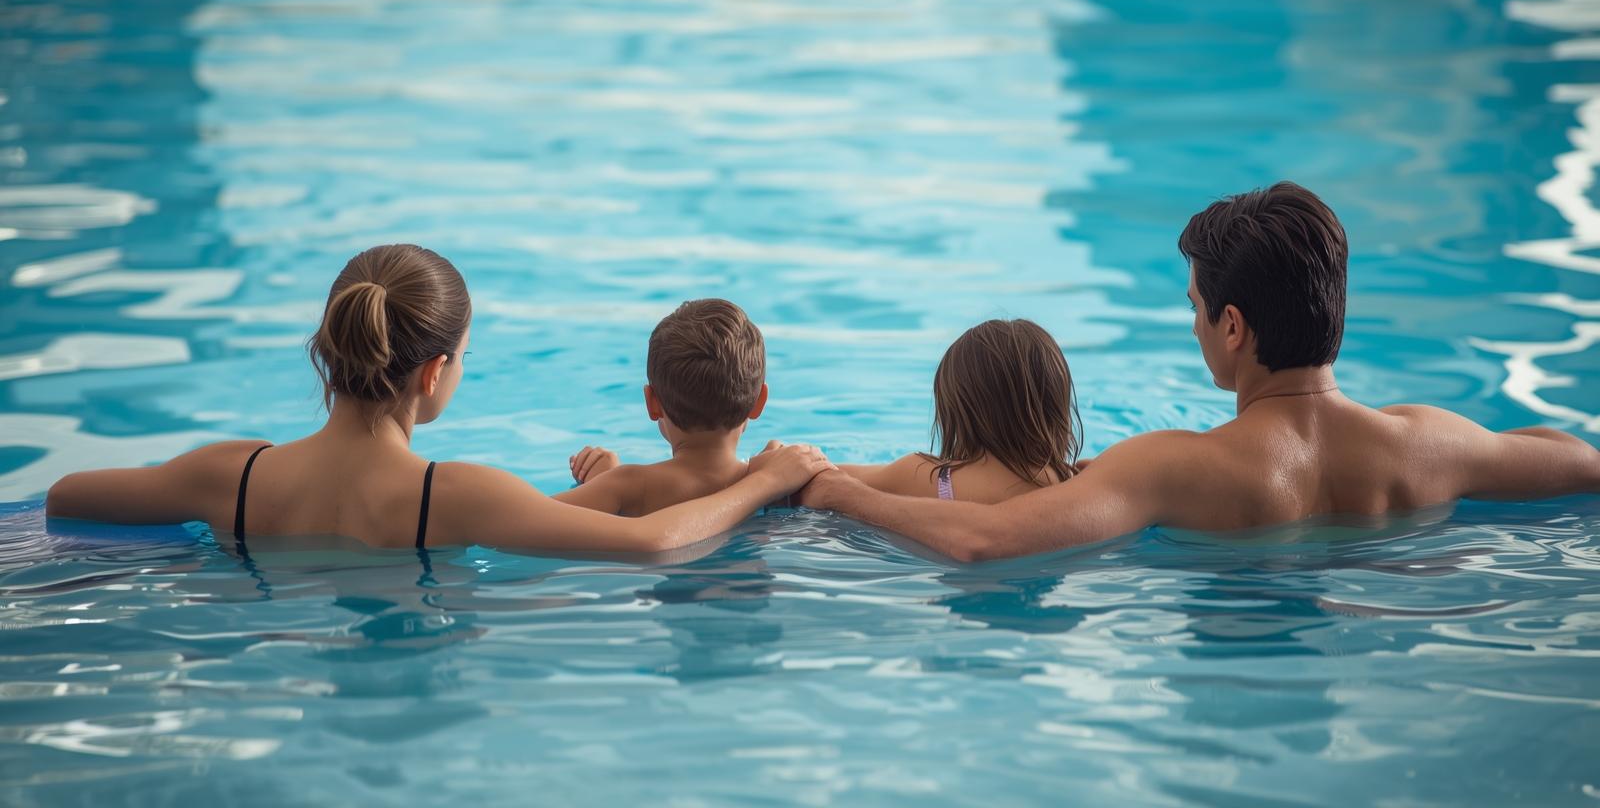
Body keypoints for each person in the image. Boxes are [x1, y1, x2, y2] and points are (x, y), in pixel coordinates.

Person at [797, 182, 1600, 561]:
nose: (1193, 327)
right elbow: (1580, 465)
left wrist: (840, 494)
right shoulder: (1433, 443)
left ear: (1233, 326)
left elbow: (985, 539)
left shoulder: (1172, 465)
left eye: (1194, 308)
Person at [45, 245, 831, 552]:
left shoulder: (228, 474)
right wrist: (765, 480)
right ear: (433, 374)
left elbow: (64, 497)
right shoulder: (456, 495)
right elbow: (655, 542)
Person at [557, 298, 774, 516]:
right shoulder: (778, 486)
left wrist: (601, 484)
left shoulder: (628, 487)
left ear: (652, 403)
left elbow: (530, 518)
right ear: (759, 402)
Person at [834, 319, 1082, 503]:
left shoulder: (930, 478)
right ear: (1057, 404)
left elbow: (835, 479)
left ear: (958, 411)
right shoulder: (1078, 483)